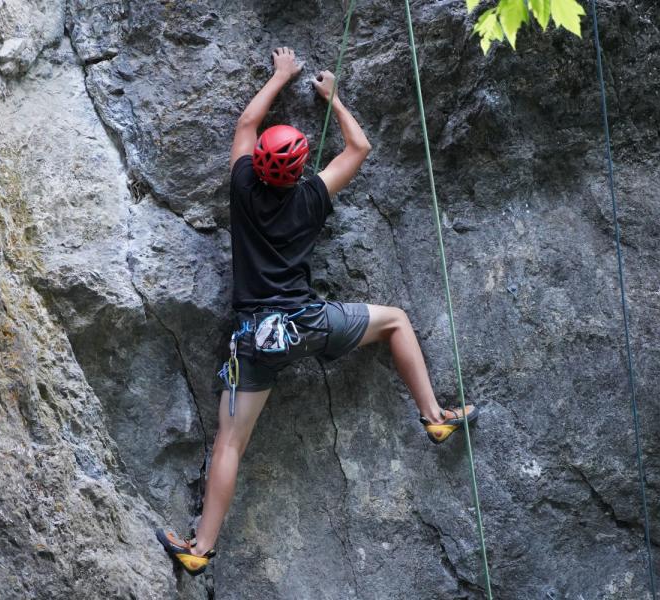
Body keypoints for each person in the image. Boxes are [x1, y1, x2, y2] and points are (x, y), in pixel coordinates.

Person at [156, 46, 478, 576]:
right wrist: (332, 98)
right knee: (394, 319)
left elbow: (246, 121)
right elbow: (359, 147)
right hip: (307, 325)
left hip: (256, 338)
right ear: (301, 168)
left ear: (257, 164)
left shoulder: (241, 187)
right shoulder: (312, 195)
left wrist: (280, 75)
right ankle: (435, 416)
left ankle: (201, 547)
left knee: (230, 444)